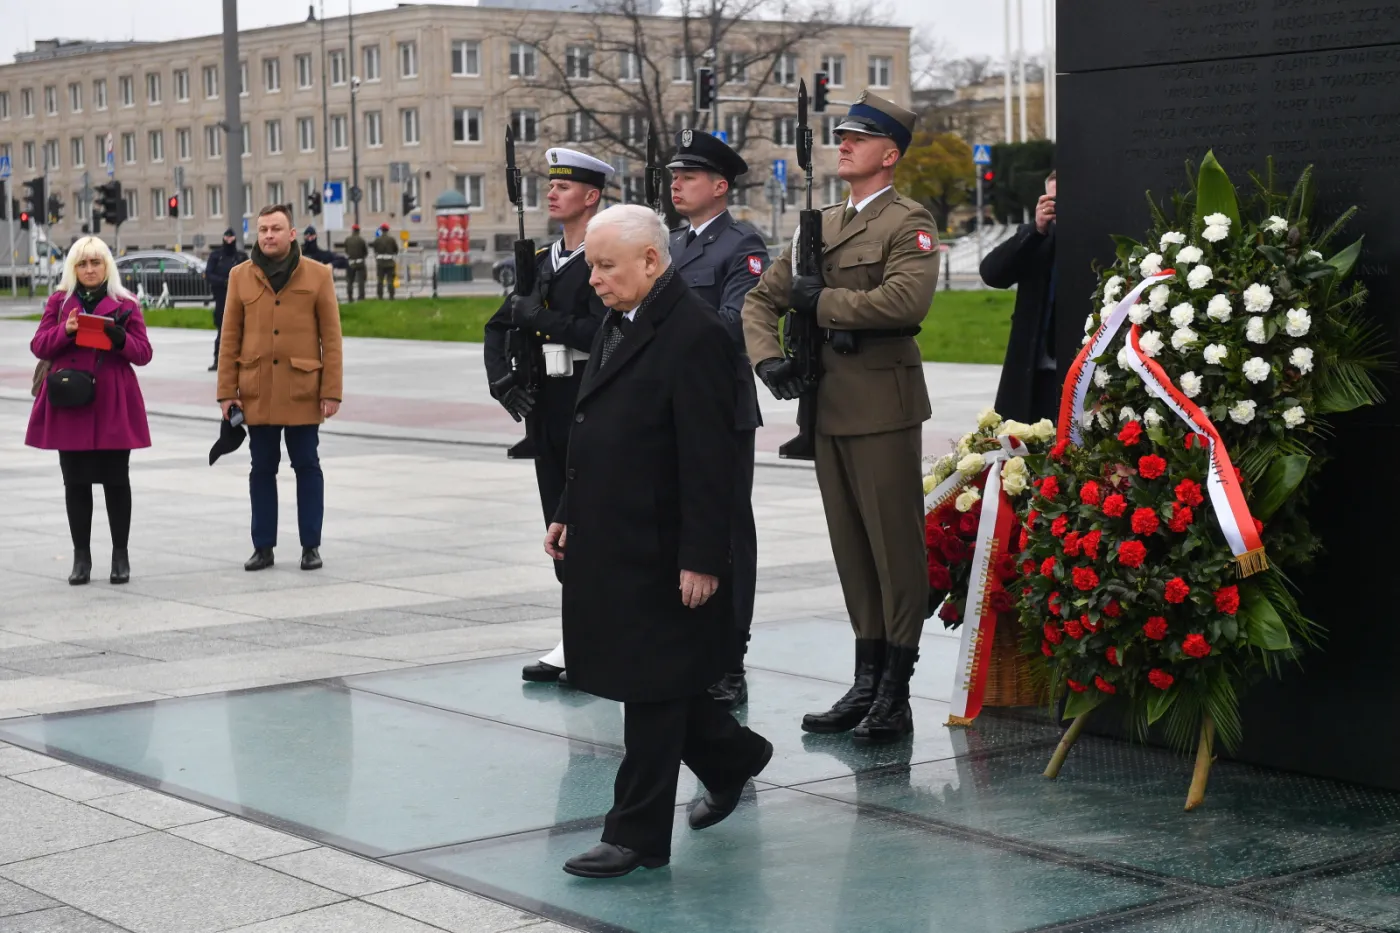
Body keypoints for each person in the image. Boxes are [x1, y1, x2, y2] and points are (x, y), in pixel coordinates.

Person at [548, 205, 772, 879]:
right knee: (653, 677)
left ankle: (636, 835)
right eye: (591, 264)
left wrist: (703, 556)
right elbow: (595, 424)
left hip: (666, 541)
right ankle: (731, 755)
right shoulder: (627, 318)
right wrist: (567, 508)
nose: (594, 279)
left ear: (651, 260)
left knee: (649, 688)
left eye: (605, 265)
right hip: (616, 532)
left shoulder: (697, 335)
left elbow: (714, 459)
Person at [742, 90, 940, 743]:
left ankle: (897, 689)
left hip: (882, 406)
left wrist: (819, 300)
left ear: (889, 154)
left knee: (894, 547)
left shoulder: (908, 222)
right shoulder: (817, 225)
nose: (844, 144)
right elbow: (758, 303)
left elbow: (905, 302)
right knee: (852, 549)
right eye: (842, 135)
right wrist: (770, 361)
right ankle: (865, 676)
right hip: (825, 408)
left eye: (859, 138)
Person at [481, 148, 612, 685]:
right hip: (546, 407)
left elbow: (605, 333)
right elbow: (500, 325)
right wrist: (501, 380)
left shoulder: (604, 259)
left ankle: (602, 633)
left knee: (591, 519)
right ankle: (577, 632)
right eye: (550, 184)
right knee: (555, 522)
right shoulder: (539, 260)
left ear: (592, 196)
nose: (552, 192)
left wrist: (546, 320)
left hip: (590, 399)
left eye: (565, 185)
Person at [666, 128, 769, 710]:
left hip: (720, 407)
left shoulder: (742, 245)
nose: (676, 184)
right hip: (670, 405)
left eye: (689, 176)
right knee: (681, 523)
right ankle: (692, 643)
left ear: (720, 186)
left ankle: (731, 654)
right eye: (675, 176)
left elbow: (735, 323)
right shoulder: (673, 246)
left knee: (728, 529)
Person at [216, 204, 344, 572]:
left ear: (291, 234)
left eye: (276, 229)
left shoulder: (318, 275)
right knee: (262, 468)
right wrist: (227, 392)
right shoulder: (240, 276)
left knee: (307, 465)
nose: (268, 235)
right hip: (257, 391)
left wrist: (331, 391)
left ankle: (310, 546)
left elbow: (331, 338)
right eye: (263, 229)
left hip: (303, 389)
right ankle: (263, 547)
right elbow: (230, 337)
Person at [26, 236, 153, 585]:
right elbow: (39, 345)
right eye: (82, 264)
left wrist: (120, 339)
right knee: (76, 482)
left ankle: (120, 556)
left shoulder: (125, 303)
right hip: (71, 401)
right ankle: (81, 557)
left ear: (107, 266)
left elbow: (144, 353)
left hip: (113, 400)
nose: (90, 269)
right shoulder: (59, 302)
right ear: (73, 268)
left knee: (116, 480)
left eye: (96, 262)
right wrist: (65, 331)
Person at [979, 169, 1060, 421]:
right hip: (1036, 373)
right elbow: (992, 273)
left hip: (1082, 372)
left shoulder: (1097, 237)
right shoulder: (1037, 238)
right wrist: (1036, 230)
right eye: (1052, 201)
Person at [204, 228, 247, 372]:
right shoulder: (216, 256)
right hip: (222, 298)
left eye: (231, 237)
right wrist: (224, 282)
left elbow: (249, 274)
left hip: (240, 298)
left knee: (243, 330)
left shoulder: (241, 256)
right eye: (227, 237)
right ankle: (218, 360)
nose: (229, 240)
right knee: (222, 331)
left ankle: (242, 359)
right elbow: (209, 274)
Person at [373, 223, 400, 299]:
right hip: (390, 262)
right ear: (388, 230)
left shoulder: (377, 240)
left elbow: (375, 250)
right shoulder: (391, 239)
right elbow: (396, 250)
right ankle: (391, 296)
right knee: (390, 280)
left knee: (380, 280)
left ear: (381, 230)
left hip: (380, 262)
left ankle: (380, 296)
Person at [342, 224, 368, 303]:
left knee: (350, 281)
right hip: (360, 262)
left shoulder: (347, 239)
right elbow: (365, 252)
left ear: (352, 230)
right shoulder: (361, 240)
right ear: (358, 231)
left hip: (351, 262)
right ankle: (361, 297)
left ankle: (350, 297)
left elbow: (346, 250)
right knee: (361, 281)